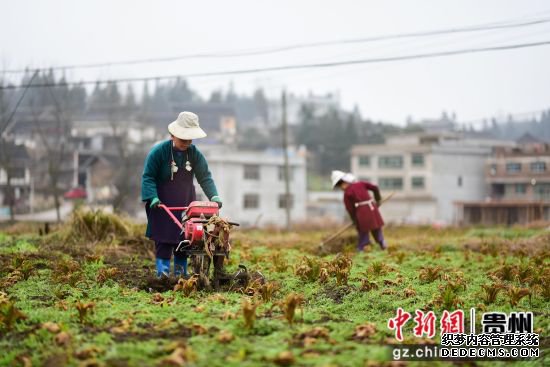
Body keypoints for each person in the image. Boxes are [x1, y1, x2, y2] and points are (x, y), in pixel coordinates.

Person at [141, 111, 222, 277]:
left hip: (185, 202)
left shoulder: (194, 154)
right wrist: (153, 197)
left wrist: (214, 197)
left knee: (185, 241)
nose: (187, 142)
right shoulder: (158, 152)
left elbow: (205, 177)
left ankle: (181, 277)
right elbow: (148, 177)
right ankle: (162, 276)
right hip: (162, 203)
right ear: (173, 135)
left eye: (190, 139)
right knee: (163, 242)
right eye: (183, 139)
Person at [331, 170, 387, 251]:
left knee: (363, 232)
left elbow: (350, 209)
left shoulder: (347, 193)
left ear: (345, 182)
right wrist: (378, 200)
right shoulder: (361, 184)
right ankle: (382, 245)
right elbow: (375, 187)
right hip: (373, 209)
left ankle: (361, 249)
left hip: (362, 213)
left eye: (340, 185)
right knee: (376, 229)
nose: (341, 188)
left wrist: (355, 221)